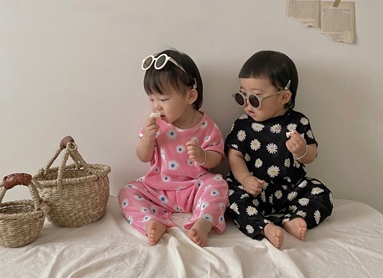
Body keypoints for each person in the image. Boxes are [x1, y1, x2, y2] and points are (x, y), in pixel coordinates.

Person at [118, 49, 228, 246]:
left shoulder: (206, 126)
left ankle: (203, 223)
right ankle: (152, 222)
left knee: (218, 184)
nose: (156, 106)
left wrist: (203, 156)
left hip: (193, 188)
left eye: (163, 99)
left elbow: (217, 158)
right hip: (159, 189)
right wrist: (147, 139)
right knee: (127, 191)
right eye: (151, 99)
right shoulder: (156, 126)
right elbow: (143, 157)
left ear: (190, 96)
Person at [225, 50, 333, 249]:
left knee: (322, 193)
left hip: (290, 190)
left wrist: (302, 151)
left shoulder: (298, 122)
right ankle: (264, 227)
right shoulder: (242, 124)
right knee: (229, 195)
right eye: (242, 96)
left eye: (255, 99)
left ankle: (294, 219)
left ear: (284, 96)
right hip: (253, 189)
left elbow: (312, 154)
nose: (247, 105)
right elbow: (234, 155)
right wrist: (245, 179)